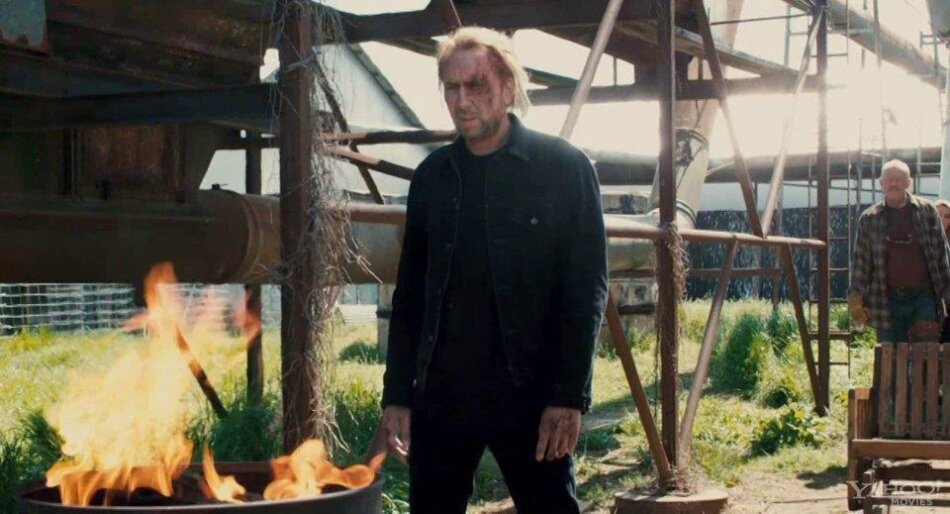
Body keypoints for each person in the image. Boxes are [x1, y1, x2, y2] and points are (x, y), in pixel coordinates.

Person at [379, 27, 608, 513]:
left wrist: (569, 397)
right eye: (451, 88)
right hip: (442, 394)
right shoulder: (432, 178)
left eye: (476, 85)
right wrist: (397, 396)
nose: (462, 101)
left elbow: (585, 292)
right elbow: (410, 298)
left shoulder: (562, 169)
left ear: (508, 88)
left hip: (530, 395)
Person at [850, 160, 950, 343]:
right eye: (889, 180)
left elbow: (942, 257)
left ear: (908, 183)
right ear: (881, 183)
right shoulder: (869, 219)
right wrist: (856, 300)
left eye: (898, 179)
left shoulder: (927, 211)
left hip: (923, 298)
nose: (893, 183)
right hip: (886, 301)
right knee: (890, 355)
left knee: (925, 353)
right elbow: (861, 265)